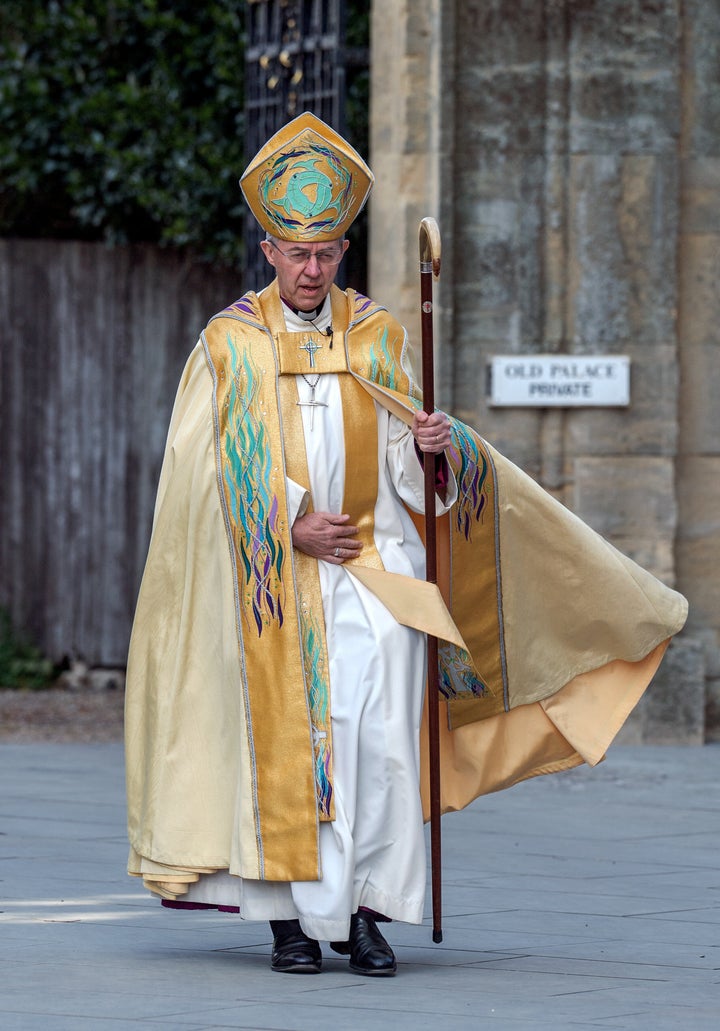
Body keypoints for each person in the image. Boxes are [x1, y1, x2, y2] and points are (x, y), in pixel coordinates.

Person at [125, 113, 687, 978]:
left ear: (344, 247)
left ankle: (369, 910)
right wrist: (287, 522)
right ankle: (290, 919)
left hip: (374, 570)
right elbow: (197, 476)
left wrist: (436, 452)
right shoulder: (228, 344)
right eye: (293, 250)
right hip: (275, 583)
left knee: (380, 732)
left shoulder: (380, 334)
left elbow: (411, 466)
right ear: (267, 247)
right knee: (294, 734)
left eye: (325, 252)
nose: (310, 269)